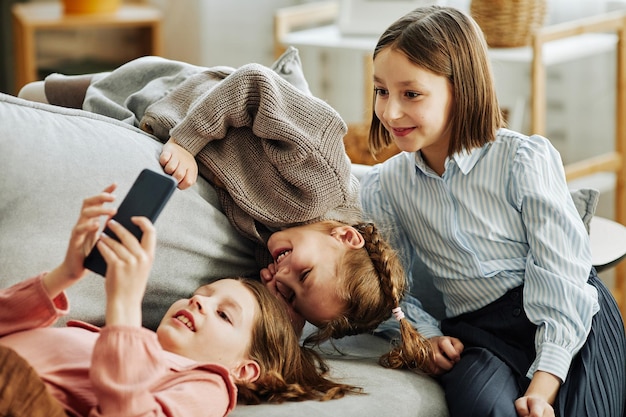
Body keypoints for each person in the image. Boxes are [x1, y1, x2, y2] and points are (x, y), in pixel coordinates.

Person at [17, 48, 434, 373]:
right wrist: (187, 141)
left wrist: (283, 310)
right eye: (302, 274)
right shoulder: (320, 169)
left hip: (134, 123)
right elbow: (254, 84)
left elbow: (273, 316)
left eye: (290, 293)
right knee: (31, 95)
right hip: (167, 93)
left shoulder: (275, 248)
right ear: (345, 236)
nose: (280, 274)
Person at [358, 5, 626, 417]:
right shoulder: (386, 185)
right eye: (381, 91)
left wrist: (545, 381)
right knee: (479, 405)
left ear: (461, 89)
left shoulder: (522, 160)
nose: (390, 111)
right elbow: (392, 286)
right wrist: (425, 334)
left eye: (410, 93)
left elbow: (562, 273)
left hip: (567, 315)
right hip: (479, 334)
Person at [0, 185, 361, 417]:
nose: (199, 303)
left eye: (223, 315)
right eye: (199, 295)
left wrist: (124, 308)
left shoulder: (207, 384)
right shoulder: (121, 341)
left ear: (244, 369)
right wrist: (65, 274)